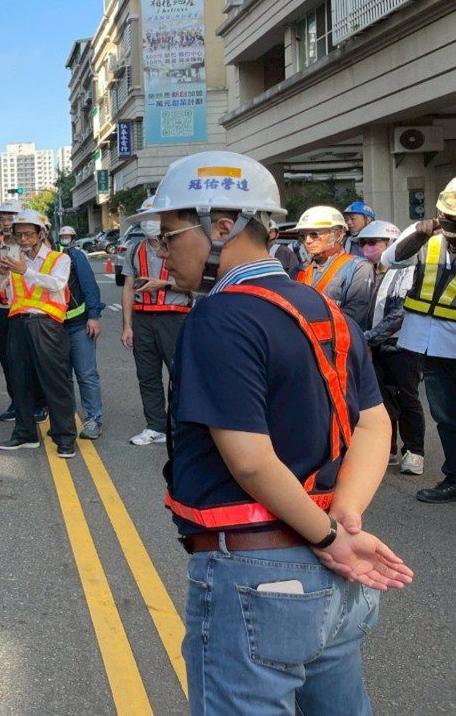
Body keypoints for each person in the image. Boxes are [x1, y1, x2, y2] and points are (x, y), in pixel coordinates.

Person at [136, 151, 411, 714]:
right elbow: (373, 422)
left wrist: (332, 540)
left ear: (221, 227)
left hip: (257, 579)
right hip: (333, 583)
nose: (162, 252)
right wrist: (344, 519)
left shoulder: (220, 316)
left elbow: (251, 461)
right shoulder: (324, 308)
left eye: (169, 236)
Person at [383, 177, 456, 503]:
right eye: (448, 218)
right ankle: (453, 478)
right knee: (445, 416)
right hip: (429, 343)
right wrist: (419, 235)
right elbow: (390, 260)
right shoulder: (426, 236)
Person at [0, 210, 79, 456]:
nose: (23, 239)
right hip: (18, 324)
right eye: (19, 235)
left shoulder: (59, 258)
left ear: (41, 233)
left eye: (28, 234)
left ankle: (65, 438)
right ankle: (24, 433)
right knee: (20, 381)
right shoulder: (14, 261)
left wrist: (25, 271)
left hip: (47, 325)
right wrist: (2, 273)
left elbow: (57, 283)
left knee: (55, 382)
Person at [120, 198, 193, 446]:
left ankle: (183, 428)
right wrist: (127, 326)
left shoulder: (181, 246)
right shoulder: (134, 249)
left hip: (174, 317)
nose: (150, 224)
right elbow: (128, 288)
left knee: (180, 375)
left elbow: (196, 285)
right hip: (143, 318)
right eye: (146, 219)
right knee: (147, 375)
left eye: (154, 218)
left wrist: (164, 285)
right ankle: (155, 426)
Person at [359, 221, 425, 475]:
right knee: (382, 401)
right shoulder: (368, 271)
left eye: (373, 243)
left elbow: (401, 313)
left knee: (407, 398)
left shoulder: (407, 269)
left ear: (390, 244)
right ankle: (388, 449)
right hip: (375, 346)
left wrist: (368, 337)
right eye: (363, 243)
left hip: (401, 346)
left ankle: (414, 451)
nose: (367, 248)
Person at [57, 225, 106, 440]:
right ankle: (66, 419)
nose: (64, 239)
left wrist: (93, 316)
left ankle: (93, 419)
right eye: (62, 236)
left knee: (86, 375)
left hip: (78, 325)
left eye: (67, 236)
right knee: (63, 376)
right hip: (55, 327)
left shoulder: (75, 256)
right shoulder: (48, 258)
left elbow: (89, 286)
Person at [293, 206, 375, 331]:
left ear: (337, 235)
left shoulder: (359, 268)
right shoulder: (299, 270)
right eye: (303, 236)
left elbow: (355, 314)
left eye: (314, 235)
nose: (307, 241)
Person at [0, 201, 22, 422]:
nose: (6, 223)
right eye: (3, 218)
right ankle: (16, 402)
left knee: (27, 360)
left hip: (25, 310)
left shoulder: (31, 244)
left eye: (11, 218)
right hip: (1, 308)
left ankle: (38, 402)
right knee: (7, 360)